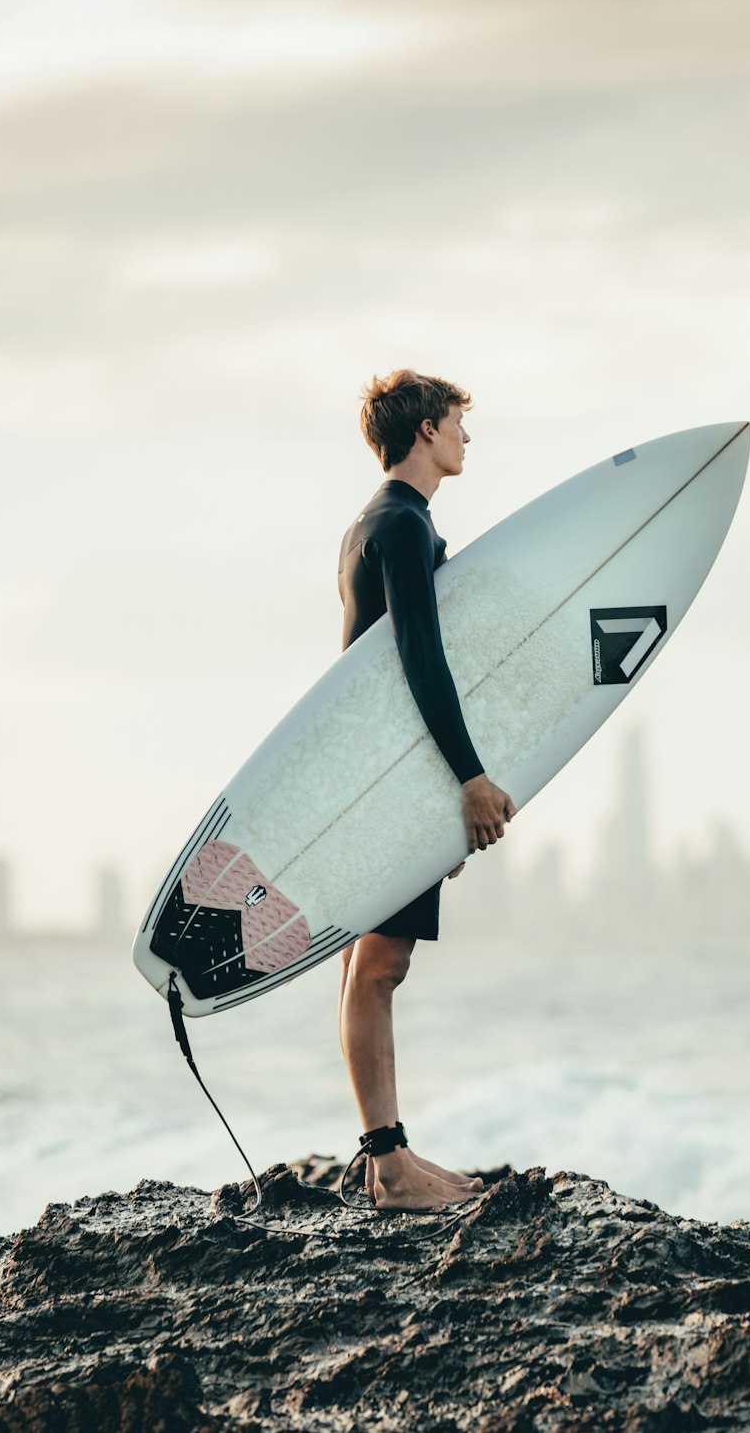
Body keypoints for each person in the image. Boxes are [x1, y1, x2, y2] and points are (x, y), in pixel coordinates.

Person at [336, 369, 516, 1212]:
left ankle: (387, 1154)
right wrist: (467, 780)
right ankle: (391, 1167)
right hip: (391, 771)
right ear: (423, 432)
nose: (466, 438)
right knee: (380, 964)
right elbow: (416, 657)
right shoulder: (402, 526)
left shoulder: (371, 524)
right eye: (457, 424)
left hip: (378, 771)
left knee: (369, 964)